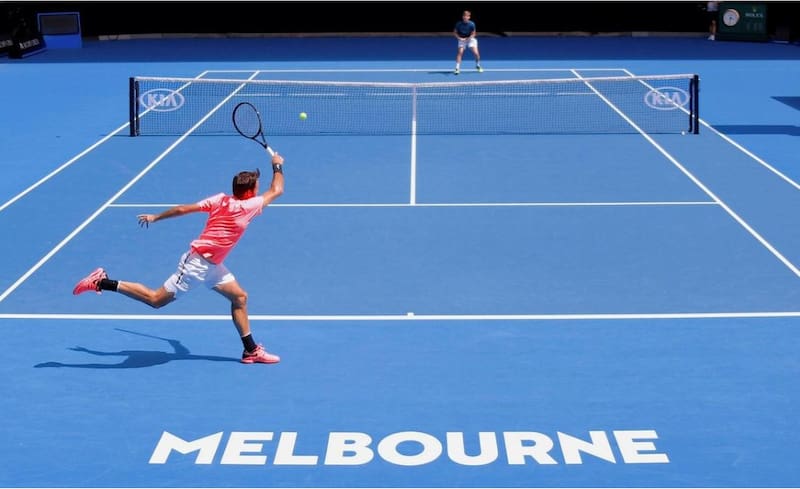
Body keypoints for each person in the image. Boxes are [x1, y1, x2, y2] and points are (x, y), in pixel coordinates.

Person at [72, 152, 287, 365]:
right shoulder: (249, 207)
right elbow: (277, 189)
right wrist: (276, 165)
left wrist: (156, 217)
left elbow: (183, 209)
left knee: (239, 297)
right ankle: (101, 281)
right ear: (250, 192)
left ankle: (250, 350)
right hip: (196, 265)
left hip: (213, 265)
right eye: (256, 187)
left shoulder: (220, 199)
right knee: (155, 300)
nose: (258, 189)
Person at [453, 10, 482, 75]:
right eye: (464, 16)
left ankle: (478, 65)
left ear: (469, 17)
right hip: (462, 39)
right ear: (462, 17)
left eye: (467, 16)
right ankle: (457, 68)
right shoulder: (458, 24)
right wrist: (459, 38)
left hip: (470, 39)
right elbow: (455, 32)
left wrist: (468, 38)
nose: (465, 17)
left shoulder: (472, 24)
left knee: (476, 53)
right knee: (460, 52)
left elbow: (474, 33)